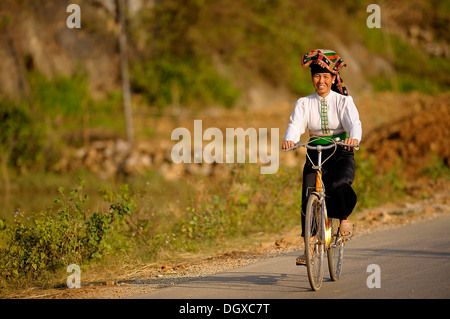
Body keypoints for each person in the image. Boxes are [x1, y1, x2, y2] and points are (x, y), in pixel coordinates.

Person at [282, 49, 362, 265]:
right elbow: (295, 124)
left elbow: (354, 123)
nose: (321, 81)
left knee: (338, 183)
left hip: (340, 149)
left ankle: (344, 219)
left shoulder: (343, 101)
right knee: (308, 195)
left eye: (326, 76)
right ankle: (309, 247)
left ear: (333, 78)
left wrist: (353, 138)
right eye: (317, 76)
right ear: (312, 79)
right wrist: (290, 138)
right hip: (315, 151)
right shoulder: (304, 103)